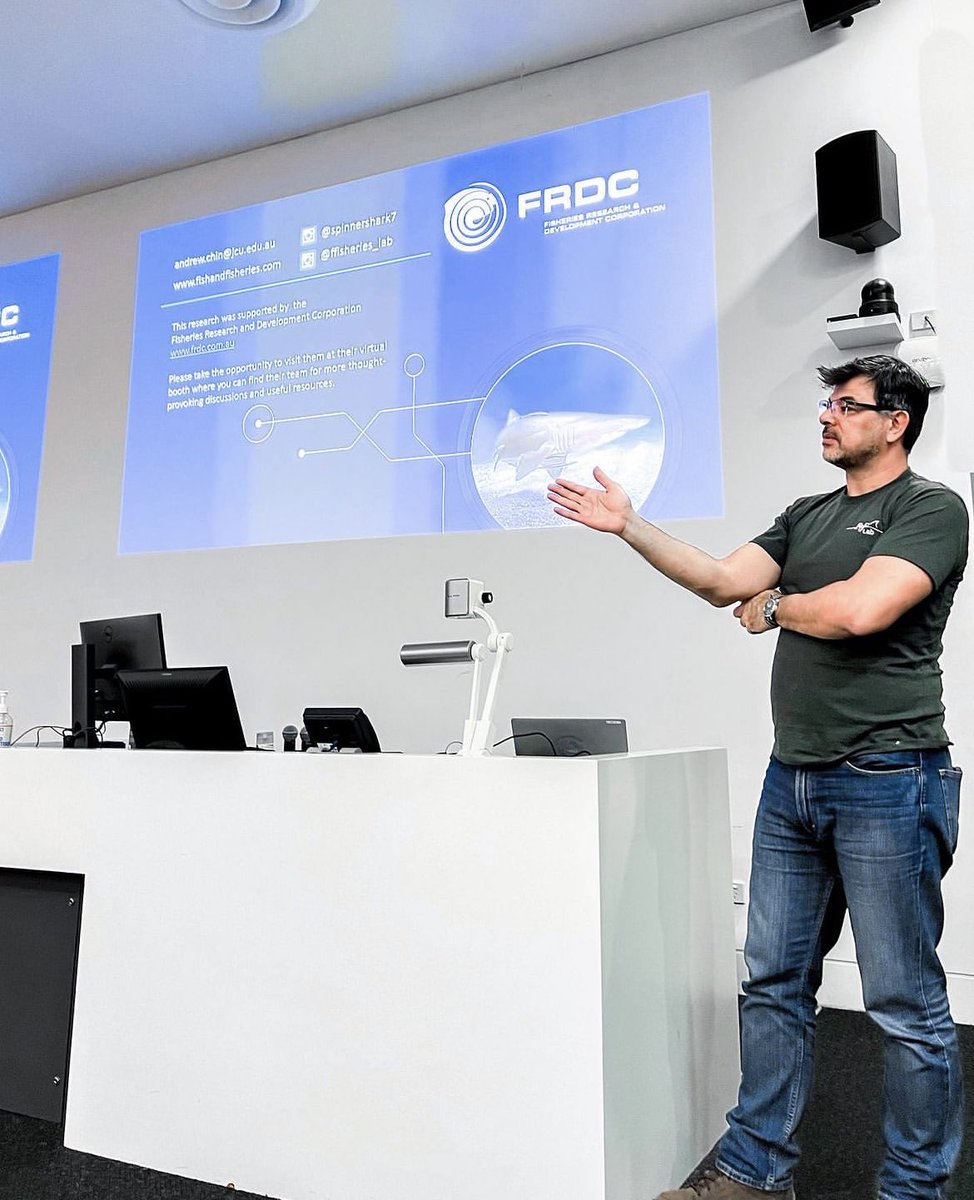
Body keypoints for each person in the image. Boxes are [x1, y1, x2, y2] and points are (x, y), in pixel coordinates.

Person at [547, 355, 968, 1200]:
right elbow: (719, 581)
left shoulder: (930, 508)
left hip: (890, 777)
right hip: (795, 783)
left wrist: (776, 608)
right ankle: (752, 1174)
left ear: (897, 422)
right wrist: (631, 526)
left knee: (902, 1005)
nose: (826, 417)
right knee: (772, 984)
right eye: (826, 403)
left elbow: (861, 609)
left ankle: (913, 1189)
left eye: (846, 406)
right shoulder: (806, 515)